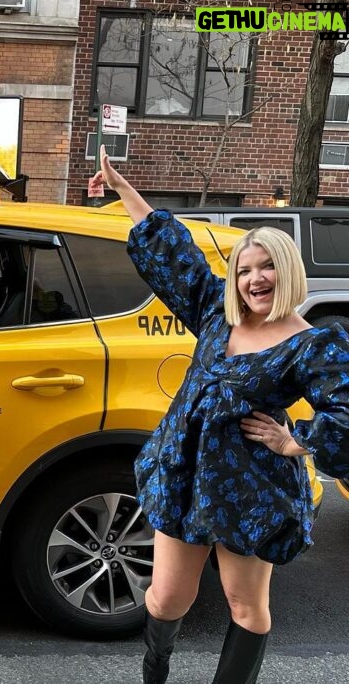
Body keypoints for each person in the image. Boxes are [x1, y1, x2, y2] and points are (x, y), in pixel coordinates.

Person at [91, 145, 349, 684]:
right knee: (165, 599)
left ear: (289, 271)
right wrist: (122, 188)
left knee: (246, 606)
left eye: (268, 267)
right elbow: (174, 252)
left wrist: (294, 441)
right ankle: (156, 666)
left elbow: (346, 414)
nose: (255, 280)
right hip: (184, 474)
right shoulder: (214, 312)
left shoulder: (314, 343)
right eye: (245, 270)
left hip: (249, 487)